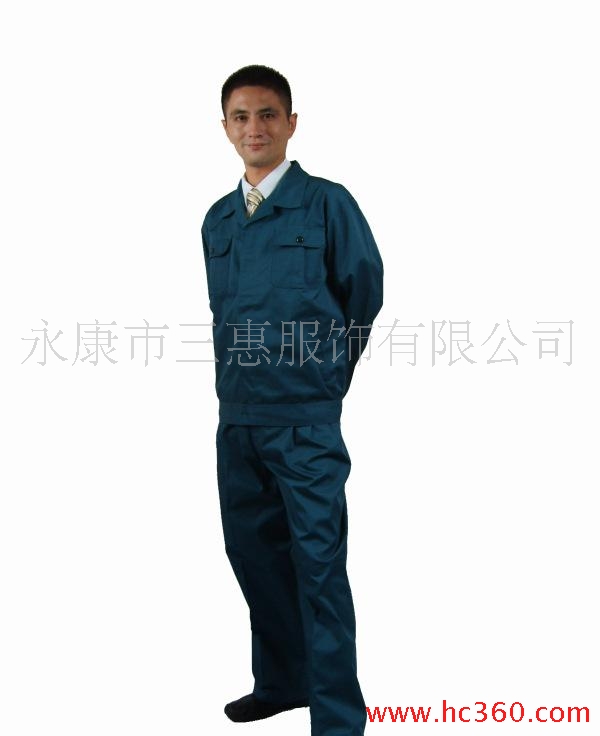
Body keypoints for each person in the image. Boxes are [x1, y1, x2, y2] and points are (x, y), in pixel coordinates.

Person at [201, 64, 384, 736]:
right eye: (241, 116)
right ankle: (281, 683)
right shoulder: (218, 219)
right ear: (225, 127)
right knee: (254, 556)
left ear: (291, 123)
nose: (255, 128)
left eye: (268, 115)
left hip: (304, 420)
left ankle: (337, 718)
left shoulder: (327, 204)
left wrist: (329, 375)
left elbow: (363, 291)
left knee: (318, 567)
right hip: (238, 418)